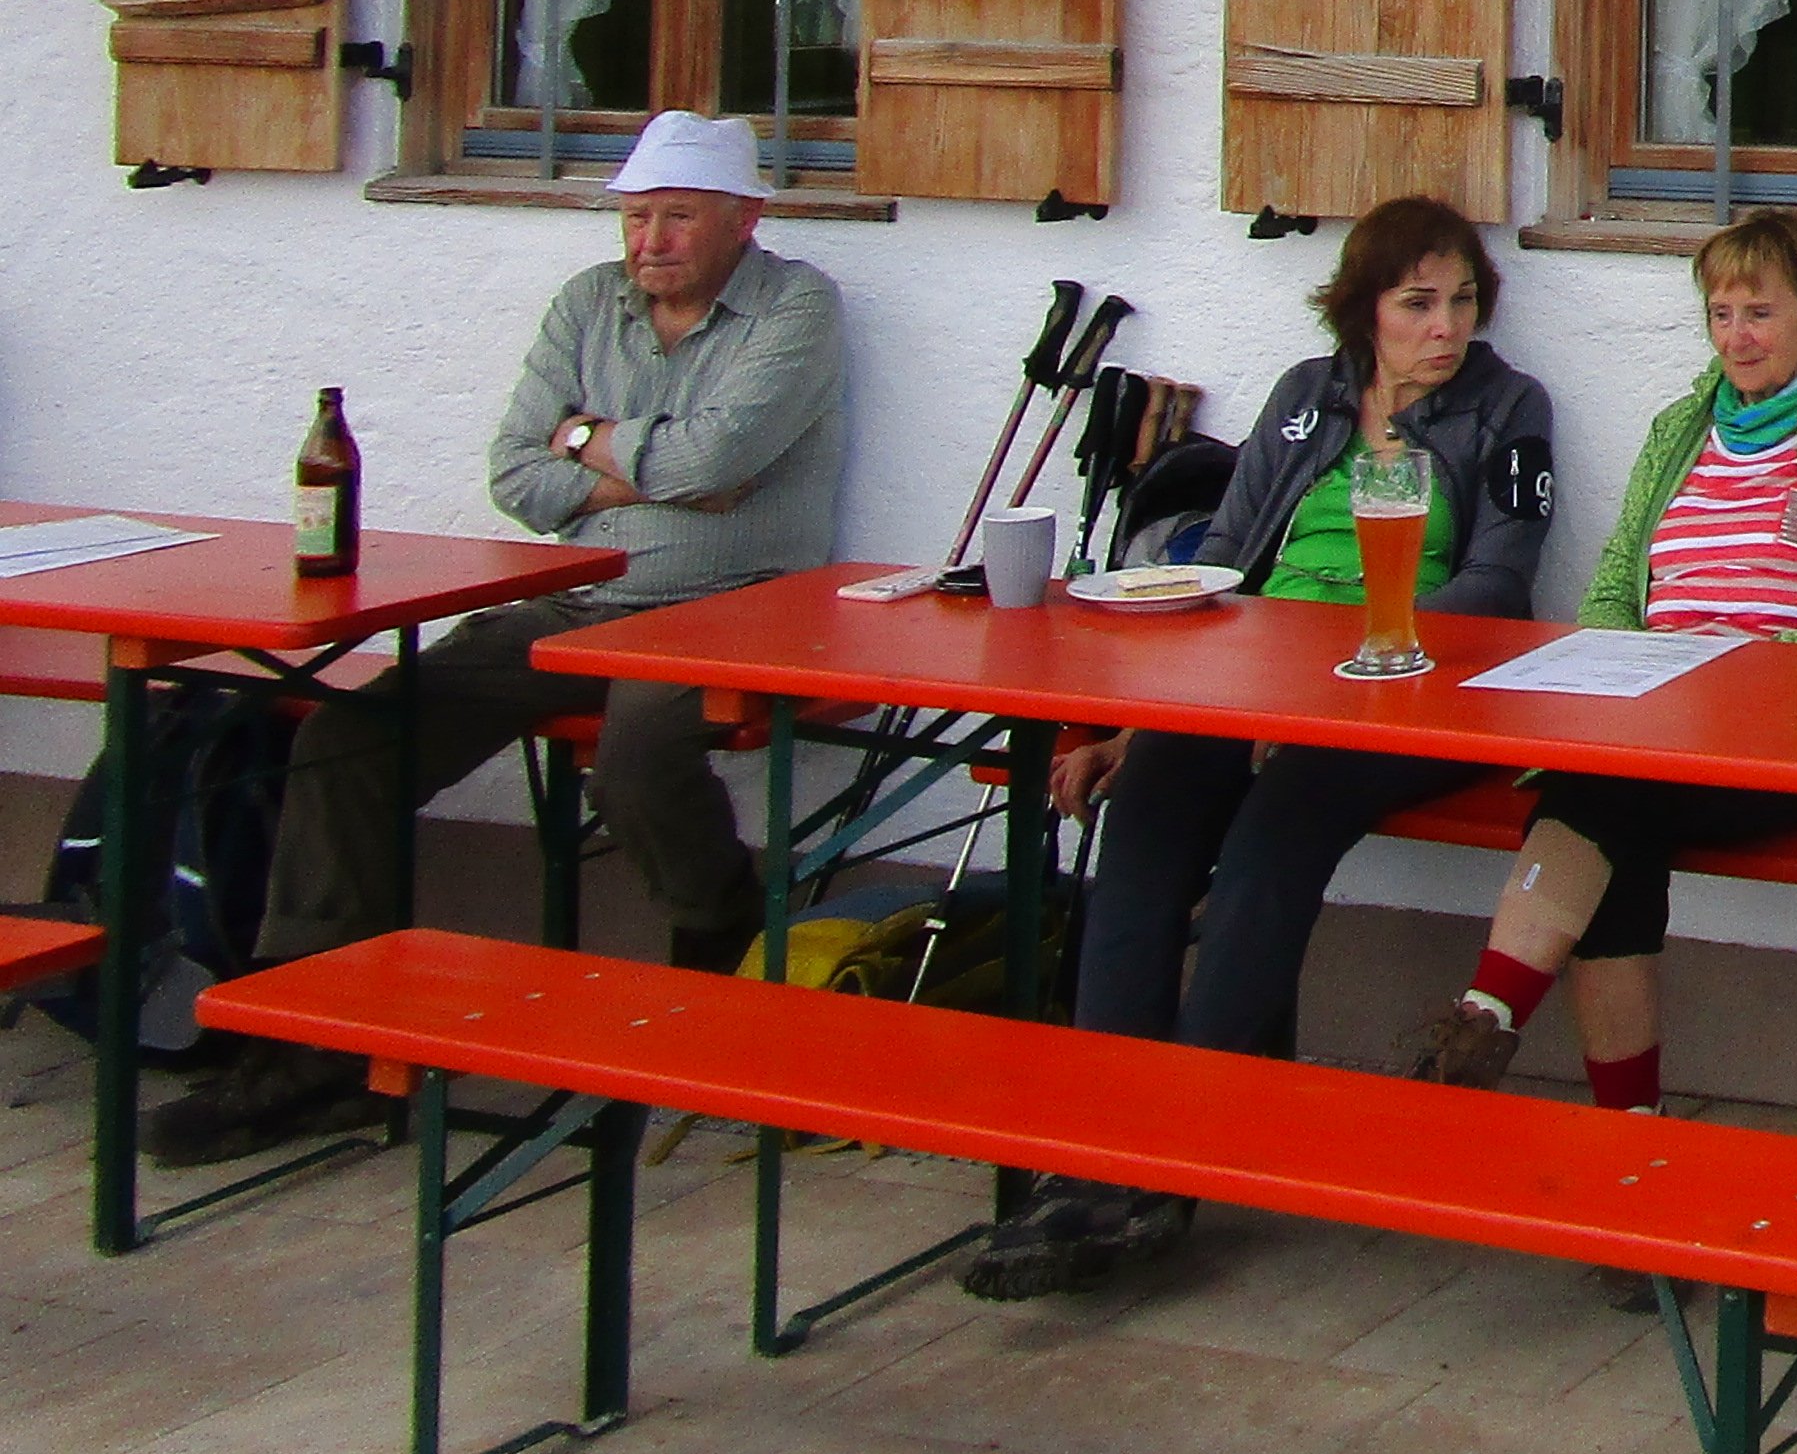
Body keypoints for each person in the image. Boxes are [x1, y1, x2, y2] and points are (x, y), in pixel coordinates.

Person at [152, 109, 845, 1164]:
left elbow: (717, 462)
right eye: (636, 217)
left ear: (743, 219)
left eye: (677, 217)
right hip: (580, 597)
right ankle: (315, 1047)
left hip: (735, 608)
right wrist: (638, 461)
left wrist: (592, 442)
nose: (649, 241)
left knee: (636, 753)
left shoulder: (796, 304)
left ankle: (720, 940)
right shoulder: (588, 303)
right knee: (349, 736)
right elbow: (519, 475)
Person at [964, 192, 1554, 1300]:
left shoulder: (1506, 407)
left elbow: (1499, 585)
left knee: (1275, 832)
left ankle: (1177, 1156)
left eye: (1463, 301)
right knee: (1147, 810)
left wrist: (1344, 675)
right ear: (1363, 311)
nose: (1445, 327)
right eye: (1417, 303)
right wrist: (1146, 719)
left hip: (1414, 691)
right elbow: (1224, 561)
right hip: (1258, 686)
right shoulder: (1304, 398)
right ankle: (1093, 1151)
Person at [1401, 207, 1797, 1130]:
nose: (1736, 337)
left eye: (1759, 313)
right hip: (1662, 725)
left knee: (1602, 795)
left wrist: (1741, 675)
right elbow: (1614, 586)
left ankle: (1491, 1018)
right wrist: (1630, 671)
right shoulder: (1682, 427)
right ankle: (1622, 1130)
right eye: (1720, 314)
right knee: (1617, 806)